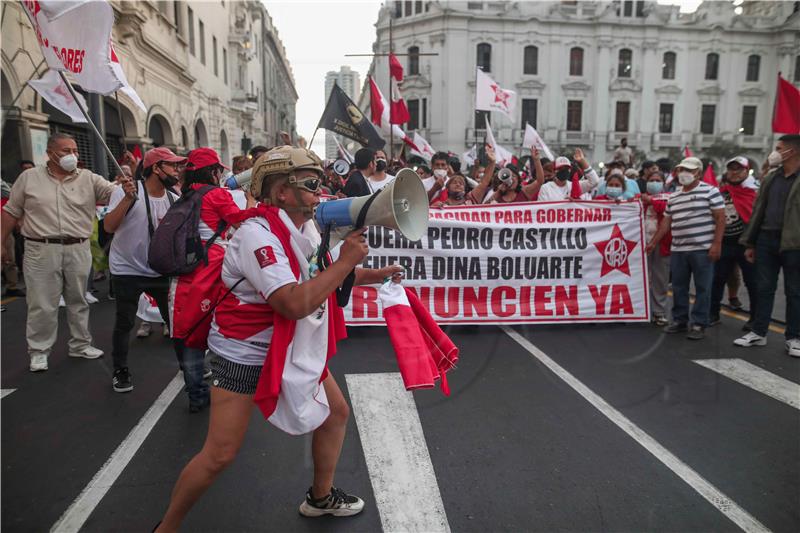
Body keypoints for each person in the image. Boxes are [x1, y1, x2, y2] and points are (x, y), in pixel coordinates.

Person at [155, 146, 403, 532]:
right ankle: (165, 528)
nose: (319, 191)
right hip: (244, 354)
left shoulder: (303, 228)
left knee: (334, 414)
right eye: (310, 183)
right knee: (219, 454)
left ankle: (320, 498)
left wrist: (377, 273)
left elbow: (317, 275)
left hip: (286, 346)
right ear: (281, 191)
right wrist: (344, 263)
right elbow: (291, 302)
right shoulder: (257, 236)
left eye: (320, 182)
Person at [1, 133, 132, 372]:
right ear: (50, 153)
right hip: (40, 248)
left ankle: (80, 344)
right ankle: (39, 351)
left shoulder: (89, 179)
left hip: (78, 247)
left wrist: (128, 181)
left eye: (74, 150)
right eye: (65, 150)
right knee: (41, 302)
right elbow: (10, 211)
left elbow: (116, 195)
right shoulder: (28, 178)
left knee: (78, 299)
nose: (72, 155)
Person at [102, 147, 191, 397]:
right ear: (156, 168)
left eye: (178, 166)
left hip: (159, 270)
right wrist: (127, 199)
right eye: (172, 166)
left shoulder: (174, 198)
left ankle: (188, 365)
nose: (177, 171)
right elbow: (109, 226)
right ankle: (120, 370)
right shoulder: (128, 191)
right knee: (125, 321)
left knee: (175, 320)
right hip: (127, 269)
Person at [170, 147, 244, 412]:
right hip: (211, 270)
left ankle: (196, 395)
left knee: (188, 334)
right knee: (224, 329)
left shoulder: (185, 195)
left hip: (183, 274)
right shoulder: (217, 195)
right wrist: (257, 204)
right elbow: (241, 221)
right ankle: (228, 389)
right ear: (213, 171)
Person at [734, 135, 800, 357]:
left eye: (779, 148)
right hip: (766, 239)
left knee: (795, 291)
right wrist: (750, 242)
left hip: (794, 243)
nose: (775, 152)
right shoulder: (772, 178)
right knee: (764, 287)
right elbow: (758, 211)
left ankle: (794, 337)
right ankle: (758, 332)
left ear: (792, 152)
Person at [647, 157, 725, 340]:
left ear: (698, 172)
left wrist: (717, 244)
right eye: (681, 169)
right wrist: (653, 242)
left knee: (702, 287)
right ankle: (680, 321)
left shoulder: (711, 191)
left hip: (702, 249)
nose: (684, 174)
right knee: (679, 287)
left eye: (688, 170)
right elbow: (666, 223)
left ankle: (699, 323)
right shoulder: (674, 196)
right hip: (679, 249)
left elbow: (720, 218)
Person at [709, 157, 758, 330]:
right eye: (731, 169)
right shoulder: (720, 192)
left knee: (752, 282)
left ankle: (755, 320)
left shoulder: (755, 192)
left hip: (747, 245)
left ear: (747, 171)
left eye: (739, 169)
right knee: (717, 279)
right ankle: (712, 314)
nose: (734, 173)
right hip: (725, 243)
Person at [640, 171, 671, 326]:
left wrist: (651, 200)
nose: (654, 182)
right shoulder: (638, 199)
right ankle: (639, 310)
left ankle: (659, 312)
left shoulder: (669, 198)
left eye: (658, 180)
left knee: (660, 278)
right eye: (651, 180)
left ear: (663, 183)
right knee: (639, 278)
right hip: (639, 244)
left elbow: (666, 209)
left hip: (661, 244)